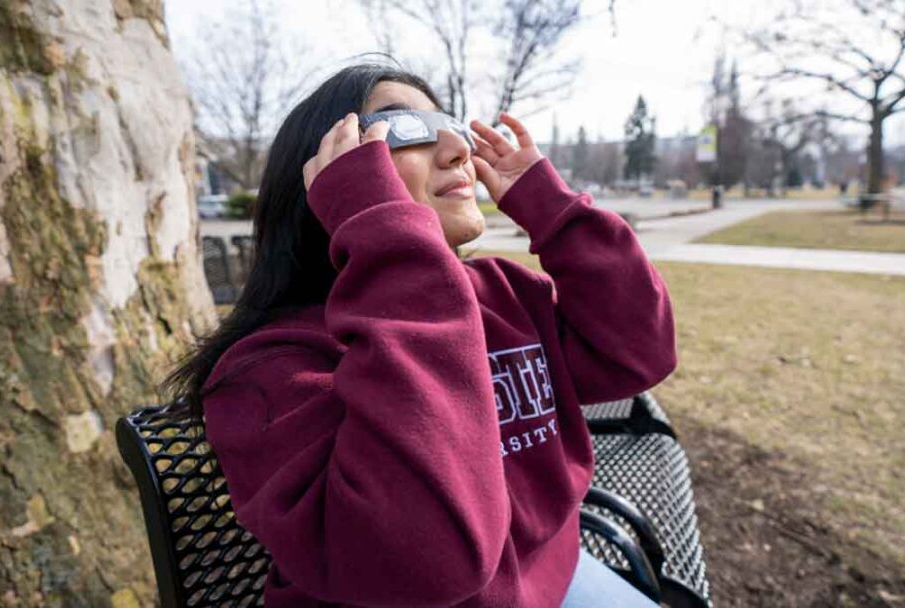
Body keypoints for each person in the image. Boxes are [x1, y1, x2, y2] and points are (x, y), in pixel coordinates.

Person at [160, 58, 674, 607]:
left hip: (555, 581)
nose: (458, 149)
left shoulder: (502, 295)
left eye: (451, 124)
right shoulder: (267, 372)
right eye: (408, 128)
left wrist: (550, 208)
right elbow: (434, 564)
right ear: (327, 177)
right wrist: (385, 239)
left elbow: (638, 351)